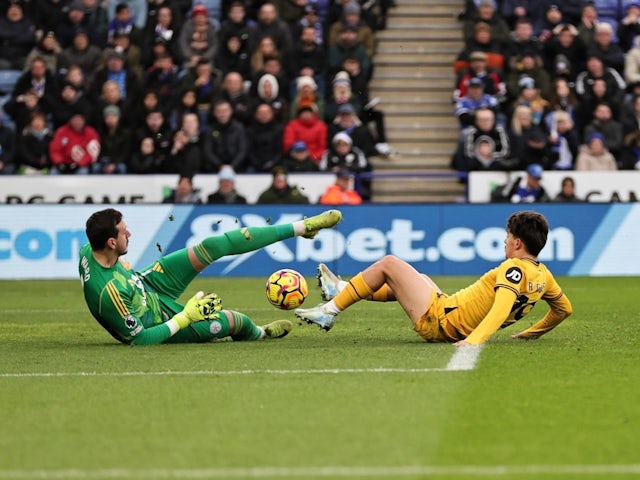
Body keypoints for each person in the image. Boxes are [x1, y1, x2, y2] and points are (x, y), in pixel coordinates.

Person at [295, 210, 572, 346]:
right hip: (449, 309)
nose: (505, 241)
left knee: (389, 264)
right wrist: (530, 333)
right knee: (420, 278)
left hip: (444, 322)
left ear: (518, 243)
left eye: (508, 237)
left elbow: (502, 306)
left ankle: (330, 310)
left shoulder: (513, 269)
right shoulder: (542, 275)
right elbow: (563, 310)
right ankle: (341, 289)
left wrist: (474, 341)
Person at [79, 207, 342, 345]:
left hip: (147, 282)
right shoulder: (107, 291)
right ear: (111, 243)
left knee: (214, 245)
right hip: (157, 320)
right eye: (124, 232)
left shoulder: (89, 250)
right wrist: (185, 318)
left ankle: (303, 227)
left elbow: (113, 267)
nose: (130, 234)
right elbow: (139, 340)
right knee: (234, 320)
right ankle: (260, 333)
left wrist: (125, 269)